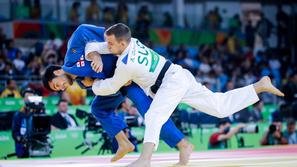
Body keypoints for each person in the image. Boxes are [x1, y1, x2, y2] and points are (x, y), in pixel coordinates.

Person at [87, 23, 284, 167]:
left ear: (122, 43)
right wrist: (94, 53)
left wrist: (94, 84)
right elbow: (95, 46)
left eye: (111, 44)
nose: (108, 47)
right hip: (178, 76)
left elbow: (110, 87)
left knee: (154, 116)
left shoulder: (125, 63)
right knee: (220, 107)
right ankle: (258, 87)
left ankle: (144, 160)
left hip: (170, 82)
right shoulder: (133, 42)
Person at [42, 24, 193, 165]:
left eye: (57, 84)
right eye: (58, 89)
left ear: (58, 72)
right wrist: (97, 82)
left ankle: (182, 144)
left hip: (130, 69)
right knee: (98, 107)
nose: (61, 88)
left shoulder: (71, 54)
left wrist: (94, 54)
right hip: (119, 83)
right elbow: (105, 87)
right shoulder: (81, 82)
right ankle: (123, 142)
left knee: (150, 112)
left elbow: (82, 31)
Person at [11, 88, 35, 158]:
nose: (29, 99)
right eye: (27, 96)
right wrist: (22, 139)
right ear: (24, 99)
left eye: (31, 97)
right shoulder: (18, 114)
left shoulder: (38, 112)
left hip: (37, 147)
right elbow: (14, 132)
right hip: (22, 148)